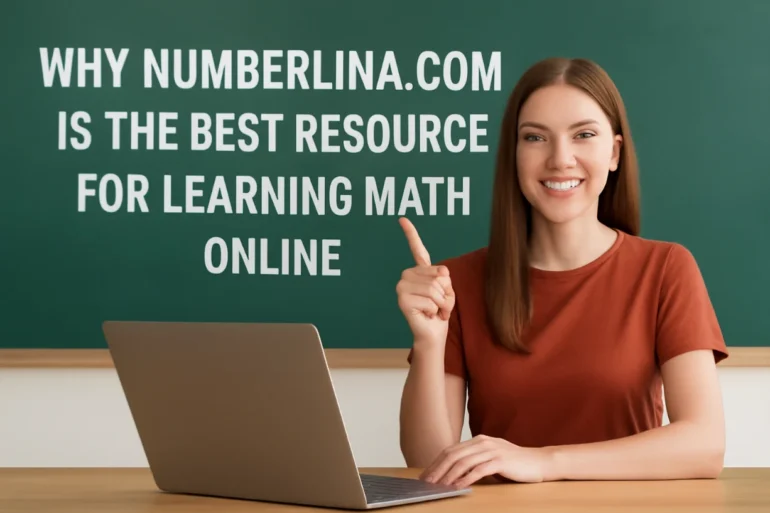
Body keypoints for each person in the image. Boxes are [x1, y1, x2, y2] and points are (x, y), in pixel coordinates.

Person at [396, 57, 728, 489]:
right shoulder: (457, 282)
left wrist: (544, 462)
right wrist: (428, 342)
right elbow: (431, 465)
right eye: (535, 137)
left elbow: (704, 445)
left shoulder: (665, 268)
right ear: (514, 155)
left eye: (584, 135)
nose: (560, 158)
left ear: (614, 152)